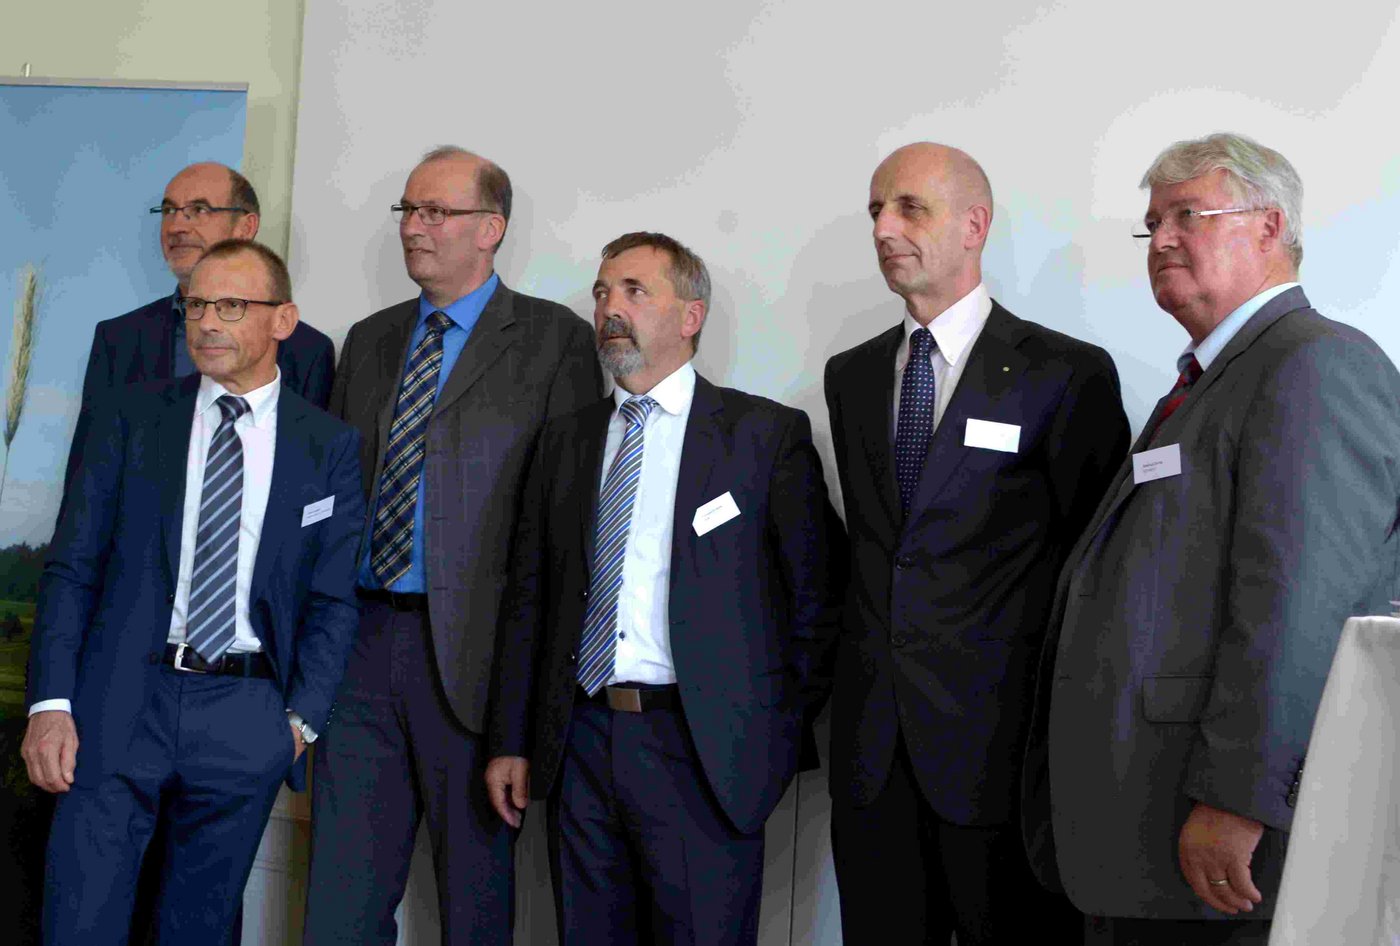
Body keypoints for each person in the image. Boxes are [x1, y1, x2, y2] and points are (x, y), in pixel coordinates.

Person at [1022, 132, 1400, 945]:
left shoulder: (1313, 366)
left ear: (1269, 227)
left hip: (1217, 847)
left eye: (1187, 214)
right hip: (1146, 829)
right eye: (1152, 222)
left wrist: (1239, 798)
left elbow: (1298, 606)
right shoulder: (1211, 379)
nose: (1159, 240)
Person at [485, 232, 845, 945]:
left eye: (633, 291)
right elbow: (532, 597)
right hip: (580, 744)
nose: (609, 308)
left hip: (701, 753)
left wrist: (762, 737)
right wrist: (512, 739)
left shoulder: (762, 435)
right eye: (601, 292)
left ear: (691, 317)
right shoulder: (566, 440)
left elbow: (819, 600)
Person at [823, 142, 1129, 945]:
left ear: (974, 225)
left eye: (908, 208)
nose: (884, 228)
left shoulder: (1065, 373)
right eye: (875, 211)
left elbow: (1094, 574)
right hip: (872, 758)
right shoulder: (850, 377)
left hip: (1003, 757)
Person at [20, 239, 365, 946]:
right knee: (78, 923)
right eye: (197, 304)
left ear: (283, 320)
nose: (208, 321)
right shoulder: (132, 416)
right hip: (118, 703)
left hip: (247, 715)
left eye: (231, 305)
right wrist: (50, 703)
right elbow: (72, 566)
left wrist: (299, 723)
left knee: (198, 931)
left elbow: (333, 599)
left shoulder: (327, 445)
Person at [303, 146, 602, 946]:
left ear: (491, 228)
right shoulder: (367, 340)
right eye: (408, 211)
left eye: (436, 212)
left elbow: (563, 524)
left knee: (474, 905)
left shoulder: (554, 341)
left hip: (475, 661)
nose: (415, 228)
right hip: (359, 650)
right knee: (339, 903)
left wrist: (528, 707)